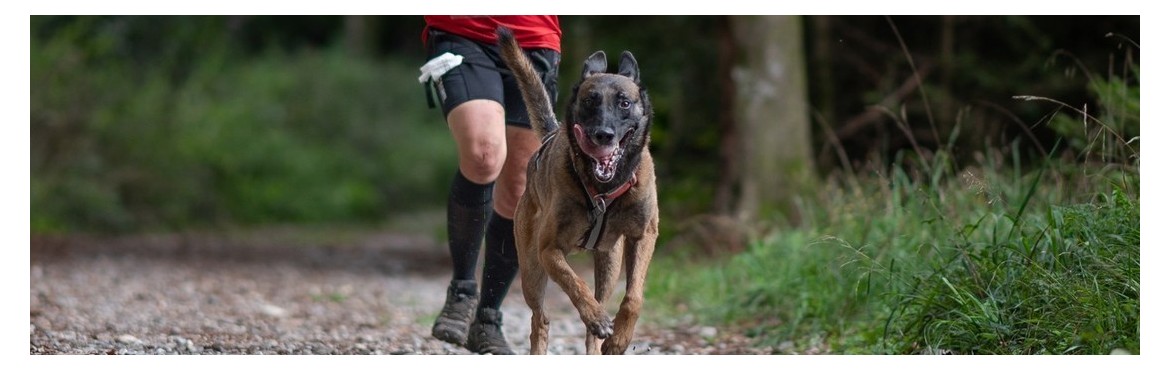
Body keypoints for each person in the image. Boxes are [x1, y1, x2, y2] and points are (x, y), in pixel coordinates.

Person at [419, 15, 561, 355]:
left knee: (519, 191)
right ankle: (462, 291)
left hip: (534, 38)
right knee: (484, 153)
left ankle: (487, 319)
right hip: (461, 31)